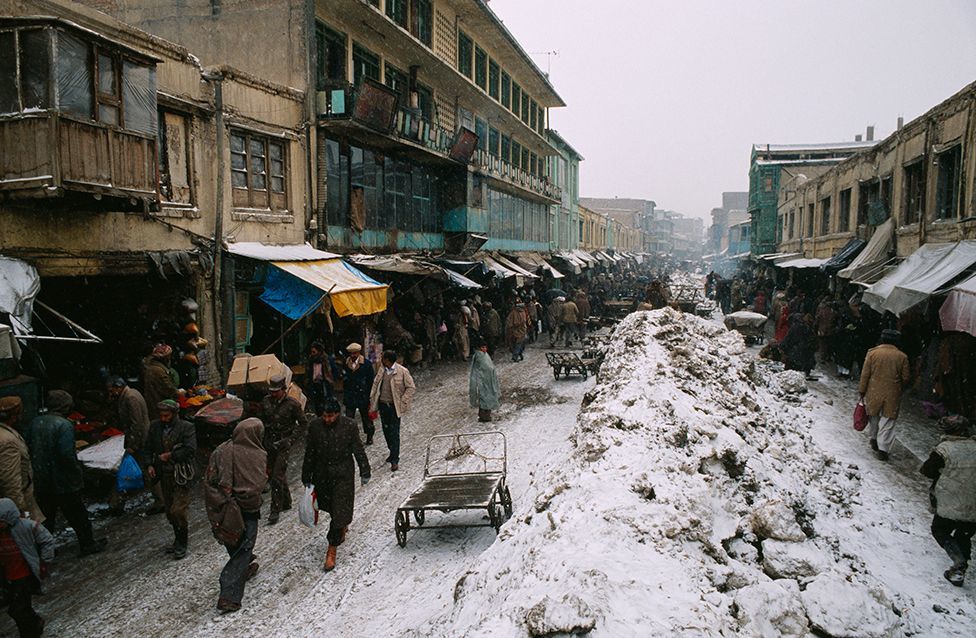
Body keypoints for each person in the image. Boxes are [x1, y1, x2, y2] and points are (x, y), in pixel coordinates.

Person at [27, 391, 106, 556]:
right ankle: (87, 543)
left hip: (42, 478)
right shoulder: (64, 425)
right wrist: (78, 472)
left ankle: (43, 549)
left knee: (46, 516)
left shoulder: (35, 422)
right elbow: (66, 455)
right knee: (77, 514)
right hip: (62, 479)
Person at [205, 417, 267, 613]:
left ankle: (244, 568)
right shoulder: (256, 455)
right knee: (245, 545)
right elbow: (257, 484)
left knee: (235, 540)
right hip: (245, 509)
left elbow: (211, 479)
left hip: (223, 507)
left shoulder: (221, 450)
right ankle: (228, 594)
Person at [302, 398, 370, 572]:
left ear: (338, 414)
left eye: (331, 416)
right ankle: (340, 527)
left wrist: (365, 470)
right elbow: (310, 452)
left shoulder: (349, 425)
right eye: (325, 416)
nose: (328, 420)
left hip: (343, 475)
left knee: (340, 509)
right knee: (332, 508)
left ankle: (331, 550)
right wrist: (306, 474)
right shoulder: (315, 427)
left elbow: (358, 449)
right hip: (322, 475)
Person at [920, 415, 976, 587]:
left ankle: (958, 559)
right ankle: (959, 571)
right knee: (964, 533)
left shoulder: (944, 449)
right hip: (973, 502)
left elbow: (927, 471)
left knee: (939, 529)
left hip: (950, 499)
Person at [147, 399, 196, 559]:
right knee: (169, 511)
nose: (163, 419)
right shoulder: (154, 428)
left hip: (180, 474)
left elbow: (190, 450)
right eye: (161, 415)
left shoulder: (186, 428)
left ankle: (182, 542)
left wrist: (172, 455)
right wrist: (150, 465)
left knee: (178, 510)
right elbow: (148, 448)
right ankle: (177, 538)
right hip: (164, 475)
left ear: (175, 414)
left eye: (167, 415)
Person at [106, 377, 161, 515]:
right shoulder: (130, 395)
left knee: (141, 471)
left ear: (118, 387)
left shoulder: (130, 398)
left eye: (112, 389)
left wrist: (133, 445)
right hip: (139, 440)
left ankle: (117, 504)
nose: (111, 392)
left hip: (140, 441)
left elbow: (136, 424)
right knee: (142, 471)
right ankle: (116, 504)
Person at [0, 497, 55, 637]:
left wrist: (44, 561)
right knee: (21, 608)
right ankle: (30, 630)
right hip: (9, 574)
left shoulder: (26, 526)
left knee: (17, 609)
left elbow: (47, 540)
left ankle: (33, 628)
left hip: (24, 574)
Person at [261, 374, 307, 525]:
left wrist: (291, 440)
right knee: (276, 472)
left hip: (284, 444)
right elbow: (261, 420)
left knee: (276, 477)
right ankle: (286, 501)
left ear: (283, 389)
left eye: (276, 391)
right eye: (271, 391)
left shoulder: (293, 404)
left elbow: (303, 423)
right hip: (269, 443)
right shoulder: (265, 402)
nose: (273, 394)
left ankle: (275, 510)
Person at [859, 329, 911, 461]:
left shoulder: (872, 353)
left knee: (874, 416)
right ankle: (883, 448)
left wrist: (862, 390)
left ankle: (874, 438)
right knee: (888, 420)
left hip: (874, 389)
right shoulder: (902, 357)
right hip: (893, 392)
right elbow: (906, 378)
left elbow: (865, 374)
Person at [369, 350, 416, 472]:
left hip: (395, 407)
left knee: (394, 433)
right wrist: (373, 399)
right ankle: (392, 451)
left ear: (388, 360)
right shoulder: (382, 370)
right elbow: (376, 385)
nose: (381, 361)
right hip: (384, 405)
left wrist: (403, 401)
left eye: (383, 358)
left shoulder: (402, 371)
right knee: (386, 431)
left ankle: (395, 459)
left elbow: (411, 388)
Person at [0, 397, 44, 523]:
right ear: (14, 416)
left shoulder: (5, 434)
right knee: (27, 536)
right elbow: (10, 480)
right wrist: (18, 510)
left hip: (10, 502)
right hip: (17, 503)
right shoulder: (7, 441)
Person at [342, 343, 375, 445]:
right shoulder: (346, 364)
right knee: (349, 419)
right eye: (351, 353)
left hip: (362, 395)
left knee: (366, 418)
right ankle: (352, 438)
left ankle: (369, 435)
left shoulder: (366, 364)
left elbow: (370, 381)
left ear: (359, 352)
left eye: (355, 353)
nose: (353, 355)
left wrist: (369, 395)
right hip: (350, 395)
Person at [143, 344, 179, 420]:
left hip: (153, 402)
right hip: (160, 403)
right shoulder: (159, 371)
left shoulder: (151, 367)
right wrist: (178, 393)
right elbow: (168, 389)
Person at [469, 339, 501, 422]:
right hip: (483, 381)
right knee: (484, 398)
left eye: (485, 347)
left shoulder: (485, 355)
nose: (485, 349)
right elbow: (480, 368)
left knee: (488, 398)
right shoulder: (479, 356)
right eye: (483, 347)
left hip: (488, 380)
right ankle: (484, 416)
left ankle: (485, 415)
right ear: (479, 348)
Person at [305, 341, 337, 416]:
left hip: (325, 385)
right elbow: (308, 373)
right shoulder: (311, 361)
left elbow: (334, 372)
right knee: (317, 406)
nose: (312, 354)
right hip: (315, 386)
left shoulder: (327, 360)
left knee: (327, 406)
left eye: (314, 352)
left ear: (319, 352)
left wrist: (330, 381)